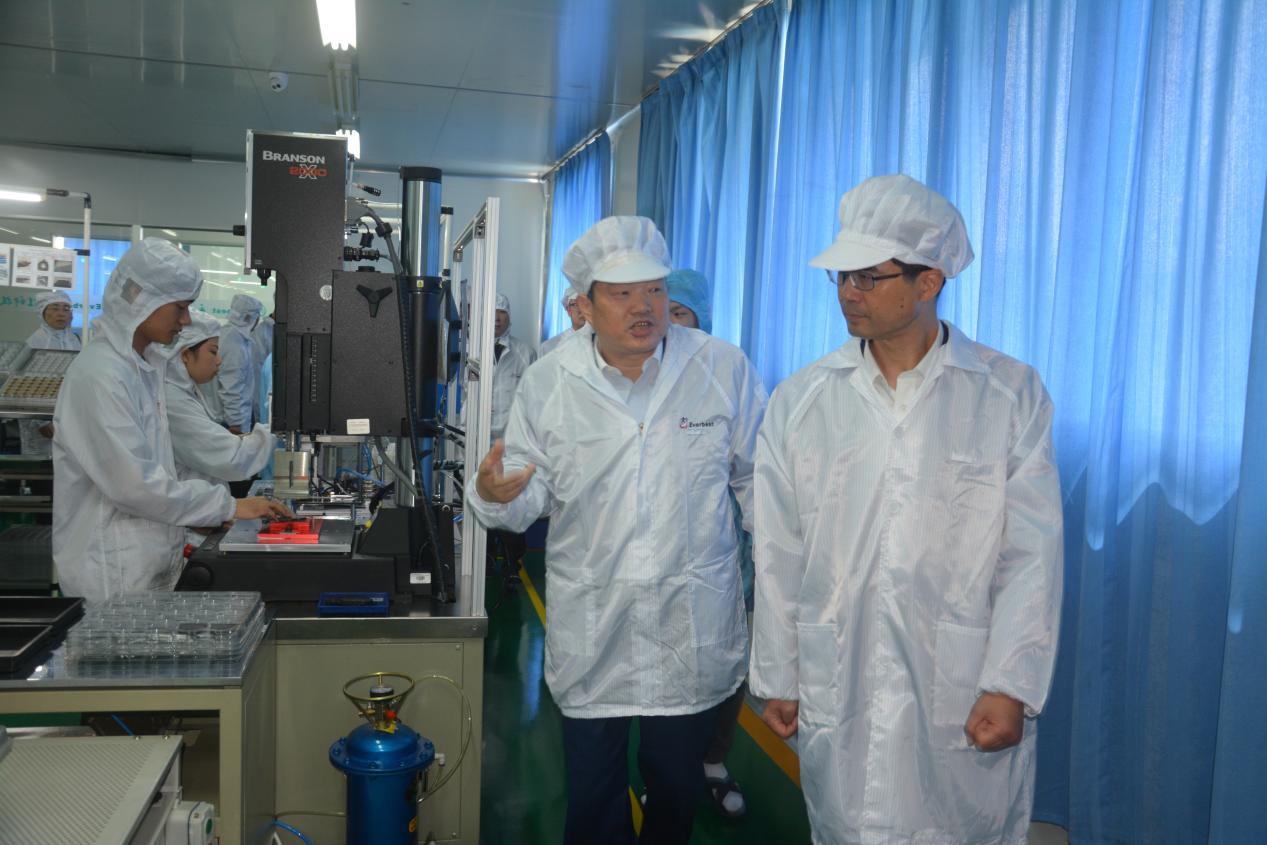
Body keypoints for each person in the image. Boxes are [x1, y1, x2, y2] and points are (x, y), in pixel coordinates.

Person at [749, 174, 1063, 844]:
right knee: (848, 824)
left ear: (929, 281)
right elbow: (777, 548)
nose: (848, 292)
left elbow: (1032, 552)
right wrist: (778, 672)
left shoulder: (1007, 394)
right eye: (841, 276)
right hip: (841, 675)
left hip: (959, 682)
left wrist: (1011, 682)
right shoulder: (802, 400)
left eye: (869, 277)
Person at [466, 216, 767, 845]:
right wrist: (494, 496)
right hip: (595, 625)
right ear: (586, 303)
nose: (643, 307)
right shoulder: (551, 380)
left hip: (689, 626)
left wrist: (783, 592)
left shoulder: (721, 368)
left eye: (654, 290)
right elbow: (526, 493)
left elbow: (759, 487)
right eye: (623, 293)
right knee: (594, 794)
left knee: (677, 788)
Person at [52, 238, 290, 601]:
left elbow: (156, 475)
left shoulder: (144, 370)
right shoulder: (101, 374)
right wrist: (228, 506)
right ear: (140, 298)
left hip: (148, 563)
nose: (185, 320)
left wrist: (199, 516)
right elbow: (134, 487)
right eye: (180, 307)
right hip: (112, 576)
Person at [665, 268, 748, 820]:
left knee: (726, 663)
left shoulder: (728, 373)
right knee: (674, 667)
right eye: (664, 313)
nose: (672, 325)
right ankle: (671, 774)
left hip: (727, 551)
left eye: (681, 313)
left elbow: (754, 469)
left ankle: (713, 762)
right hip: (667, 557)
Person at [165, 312, 273, 494]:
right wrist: (275, 432)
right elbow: (230, 458)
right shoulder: (173, 401)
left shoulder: (186, 391)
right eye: (213, 352)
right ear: (186, 354)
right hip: (191, 505)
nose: (219, 360)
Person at [18, 289, 81, 457]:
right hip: (41, 416)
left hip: (69, 413)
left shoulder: (75, 341)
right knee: (42, 462)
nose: (61, 313)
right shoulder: (34, 342)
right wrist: (39, 422)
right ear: (43, 313)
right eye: (55, 308)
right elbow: (24, 386)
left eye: (66, 309)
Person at [489, 292, 535, 442]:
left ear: (509, 317)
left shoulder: (525, 353)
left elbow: (533, 398)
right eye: (493, 311)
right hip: (472, 434)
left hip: (510, 437)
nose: (497, 318)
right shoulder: (471, 350)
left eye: (502, 312)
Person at [216, 293, 263, 435]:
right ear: (252, 318)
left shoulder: (234, 336)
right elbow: (231, 386)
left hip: (234, 418)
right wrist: (235, 423)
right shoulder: (234, 342)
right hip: (231, 423)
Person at [539, 287, 588, 357]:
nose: (581, 310)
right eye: (575, 304)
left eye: (586, 304)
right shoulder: (550, 347)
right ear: (568, 310)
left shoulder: (602, 343)